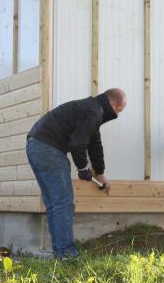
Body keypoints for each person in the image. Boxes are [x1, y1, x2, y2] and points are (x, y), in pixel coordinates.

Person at [26, 88, 126, 258]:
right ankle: (66, 253)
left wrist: (100, 175)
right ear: (112, 103)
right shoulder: (93, 111)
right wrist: (82, 169)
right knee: (64, 202)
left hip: (36, 145)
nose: (118, 114)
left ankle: (60, 251)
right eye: (119, 109)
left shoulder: (92, 109)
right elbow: (77, 144)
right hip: (48, 148)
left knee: (55, 203)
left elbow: (94, 144)